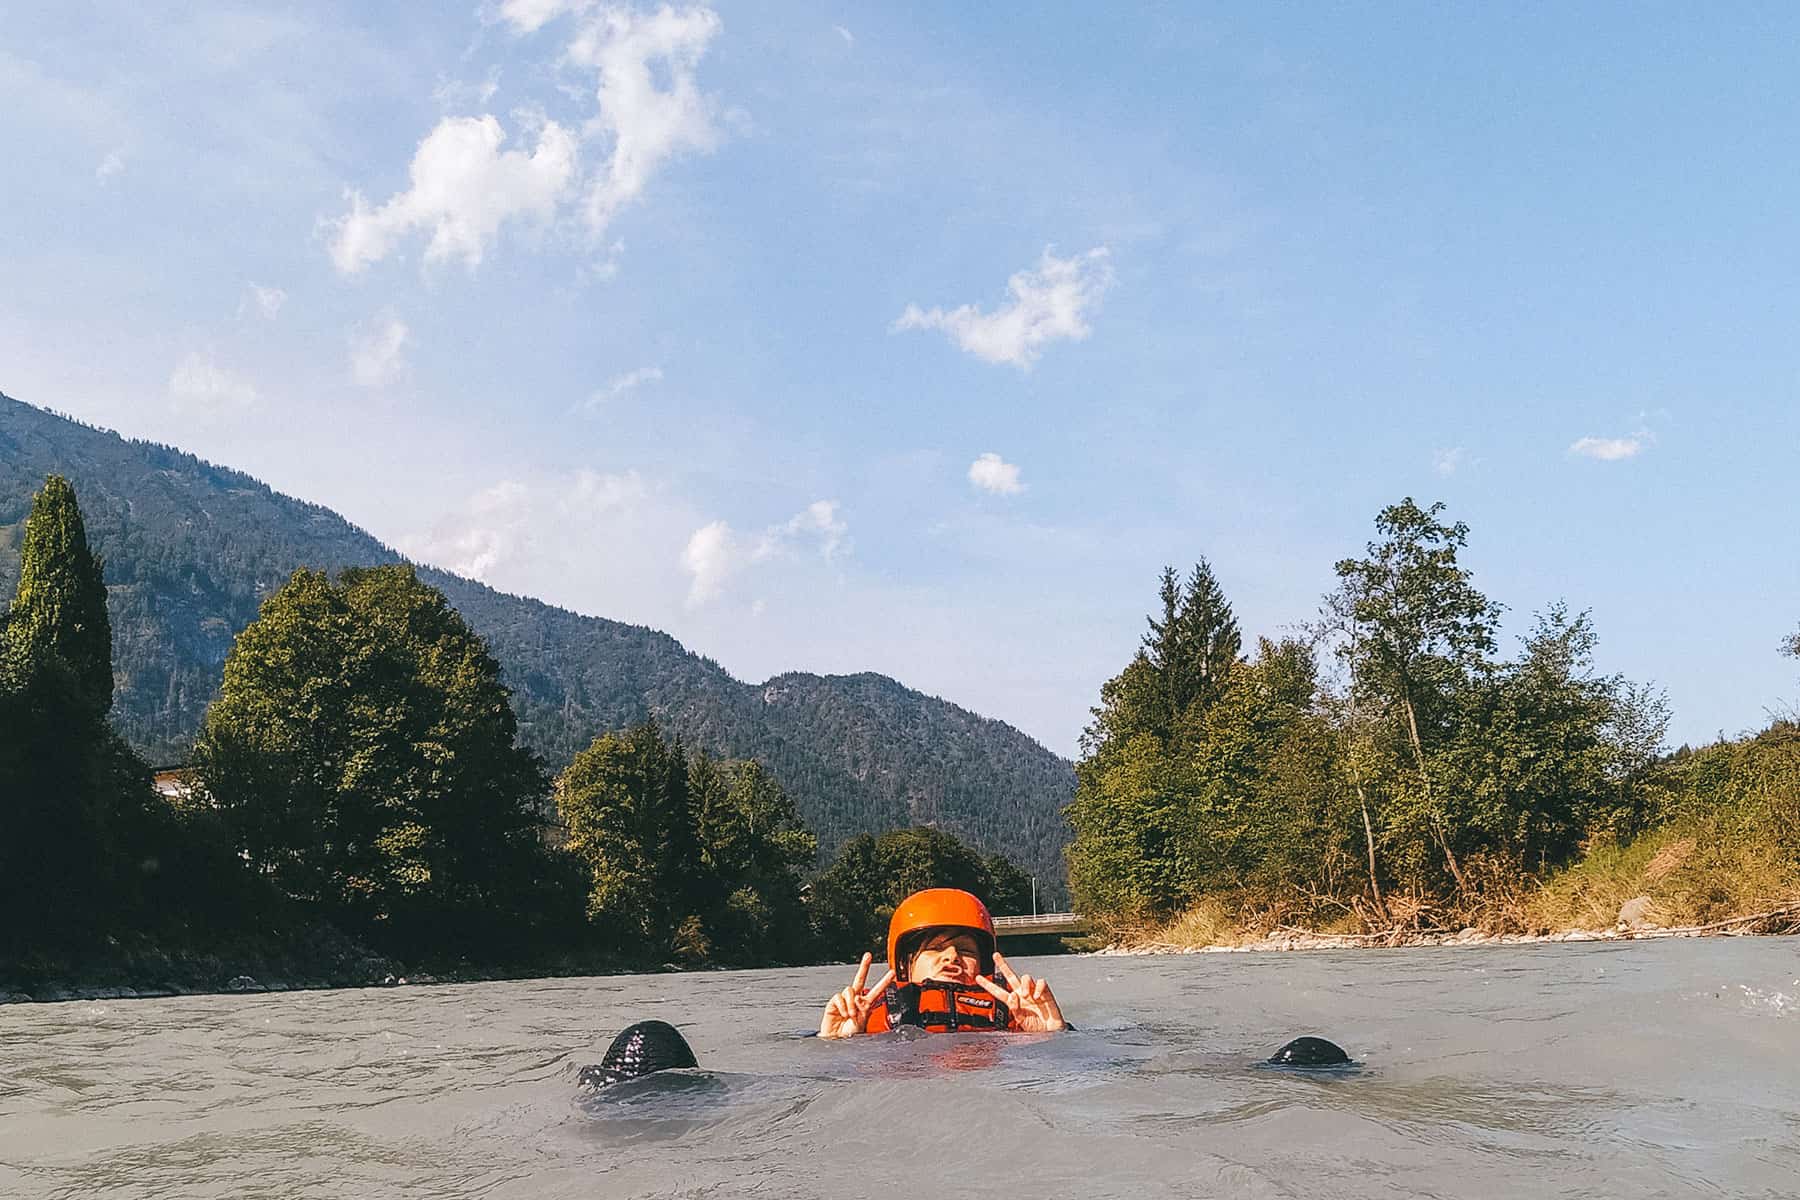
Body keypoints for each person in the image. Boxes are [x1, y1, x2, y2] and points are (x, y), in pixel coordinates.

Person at [818, 887, 1067, 1037]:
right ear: (905, 964)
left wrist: (1053, 1035)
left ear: (983, 965)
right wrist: (835, 1042)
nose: (952, 957)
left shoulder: (1014, 1018)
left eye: (966, 950)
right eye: (935, 948)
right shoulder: (870, 1019)